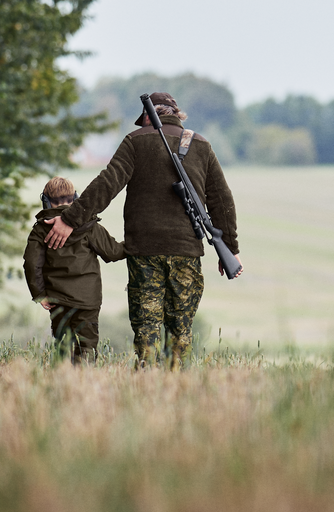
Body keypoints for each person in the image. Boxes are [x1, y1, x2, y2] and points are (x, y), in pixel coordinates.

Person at [45, 91, 240, 369]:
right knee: (181, 332)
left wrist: (70, 219)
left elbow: (107, 184)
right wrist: (229, 248)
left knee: (147, 330)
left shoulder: (135, 142)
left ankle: (146, 383)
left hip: (144, 252)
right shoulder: (201, 145)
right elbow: (222, 200)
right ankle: (175, 387)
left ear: (149, 116)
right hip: (186, 252)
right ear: (176, 114)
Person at [23, 176, 126, 364]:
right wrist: (136, 244)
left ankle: (63, 385)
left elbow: (31, 263)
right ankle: (83, 387)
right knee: (86, 349)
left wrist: (39, 294)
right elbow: (113, 253)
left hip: (57, 300)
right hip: (88, 301)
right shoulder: (90, 227)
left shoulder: (40, 230)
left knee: (63, 347)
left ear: (45, 201)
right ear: (76, 198)